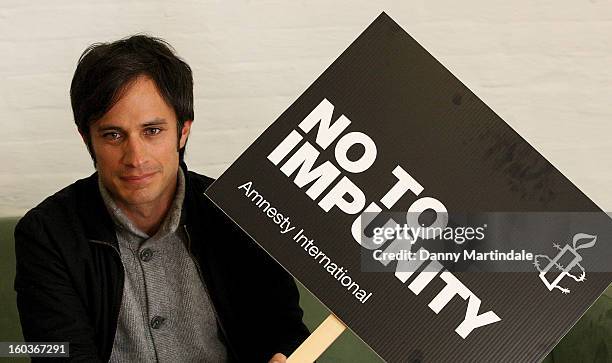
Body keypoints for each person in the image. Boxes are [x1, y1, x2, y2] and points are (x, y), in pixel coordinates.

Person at [14, 35, 310, 362]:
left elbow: (286, 332)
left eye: (152, 131)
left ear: (183, 131)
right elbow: (55, 353)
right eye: (113, 135)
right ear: (87, 139)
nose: (136, 157)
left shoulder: (242, 213)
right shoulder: (46, 234)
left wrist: (284, 355)